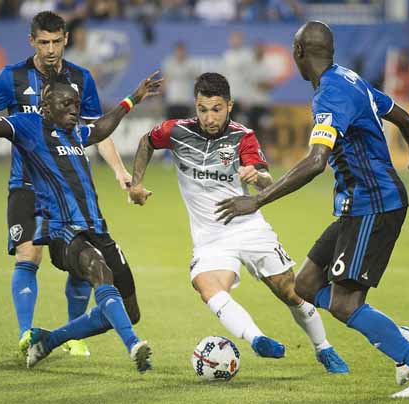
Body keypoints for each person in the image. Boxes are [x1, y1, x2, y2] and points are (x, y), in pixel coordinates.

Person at [215, 22, 409, 398]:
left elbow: (315, 162)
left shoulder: (330, 94)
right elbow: (404, 117)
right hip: (356, 205)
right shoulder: (351, 79)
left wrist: (257, 200)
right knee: (306, 284)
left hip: (374, 204)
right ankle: (392, 334)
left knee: (344, 304)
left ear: (298, 54)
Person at [0, 11, 132, 357]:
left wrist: (120, 170)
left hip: (69, 187)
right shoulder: (12, 77)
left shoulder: (82, 78)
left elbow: (96, 131)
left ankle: (72, 335)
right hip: (27, 183)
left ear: (66, 40)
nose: (50, 49)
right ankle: (26, 334)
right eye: (43, 42)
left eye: (56, 42)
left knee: (81, 262)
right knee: (28, 255)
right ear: (32, 41)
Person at [0, 69, 162, 373]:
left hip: (97, 228)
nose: (73, 111)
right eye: (66, 105)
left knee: (130, 310)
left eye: (76, 106)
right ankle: (134, 345)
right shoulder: (28, 126)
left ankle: (50, 340)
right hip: (62, 231)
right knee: (99, 271)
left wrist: (132, 99)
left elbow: (100, 128)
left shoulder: (76, 132)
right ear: (46, 105)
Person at [128, 72, 349, 373]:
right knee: (206, 286)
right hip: (210, 239)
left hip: (248, 228)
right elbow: (146, 142)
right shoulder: (176, 131)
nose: (209, 117)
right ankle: (257, 339)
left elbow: (266, 180)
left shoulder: (241, 136)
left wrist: (256, 177)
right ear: (195, 106)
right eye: (203, 109)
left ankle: (324, 349)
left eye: (216, 108)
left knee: (292, 291)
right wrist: (136, 183)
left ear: (229, 105)